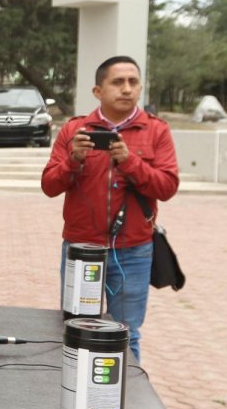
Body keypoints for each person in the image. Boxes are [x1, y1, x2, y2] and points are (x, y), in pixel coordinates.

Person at [41, 55, 179, 360]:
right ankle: (76, 396)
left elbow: (167, 187)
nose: (127, 89)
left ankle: (126, 404)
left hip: (134, 252)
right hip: (81, 250)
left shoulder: (156, 131)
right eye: (117, 82)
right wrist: (73, 159)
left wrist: (129, 162)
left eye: (133, 82)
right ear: (97, 91)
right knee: (76, 328)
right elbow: (49, 185)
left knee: (126, 333)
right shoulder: (74, 130)